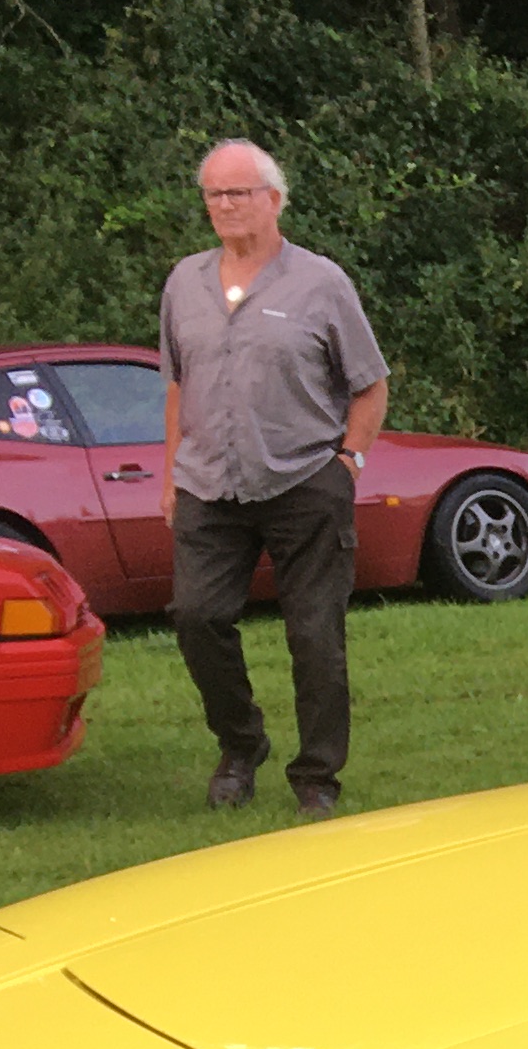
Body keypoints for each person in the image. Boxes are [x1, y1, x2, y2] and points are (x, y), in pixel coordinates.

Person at [161, 139, 390, 818]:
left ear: (275, 199)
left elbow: (370, 385)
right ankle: (241, 746)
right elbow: (177, 384)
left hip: (304, 481)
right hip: (208, 483)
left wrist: (349, 461)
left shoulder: (320, 282)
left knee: (315, 636)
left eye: (240, 193)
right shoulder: (184, 283)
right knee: (197, 617)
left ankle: (316, 777)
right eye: (214, 194)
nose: (226, 205)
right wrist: (171, 473)